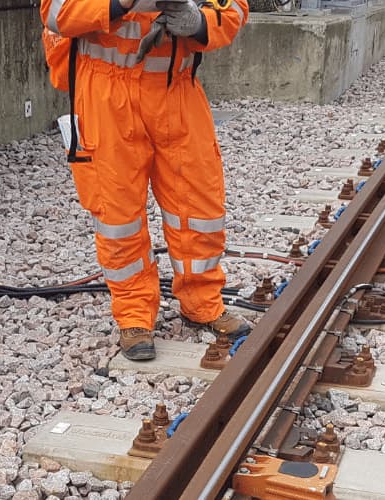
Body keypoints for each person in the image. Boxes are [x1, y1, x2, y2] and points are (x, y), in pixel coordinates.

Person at [40, 0, 251, 360]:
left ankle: (202, 302)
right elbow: (57, 13)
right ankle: (134, 315)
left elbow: (234, 9)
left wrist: (200, 22)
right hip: (107, 93)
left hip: (176, 88)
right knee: (117, 212)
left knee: (199, 204)